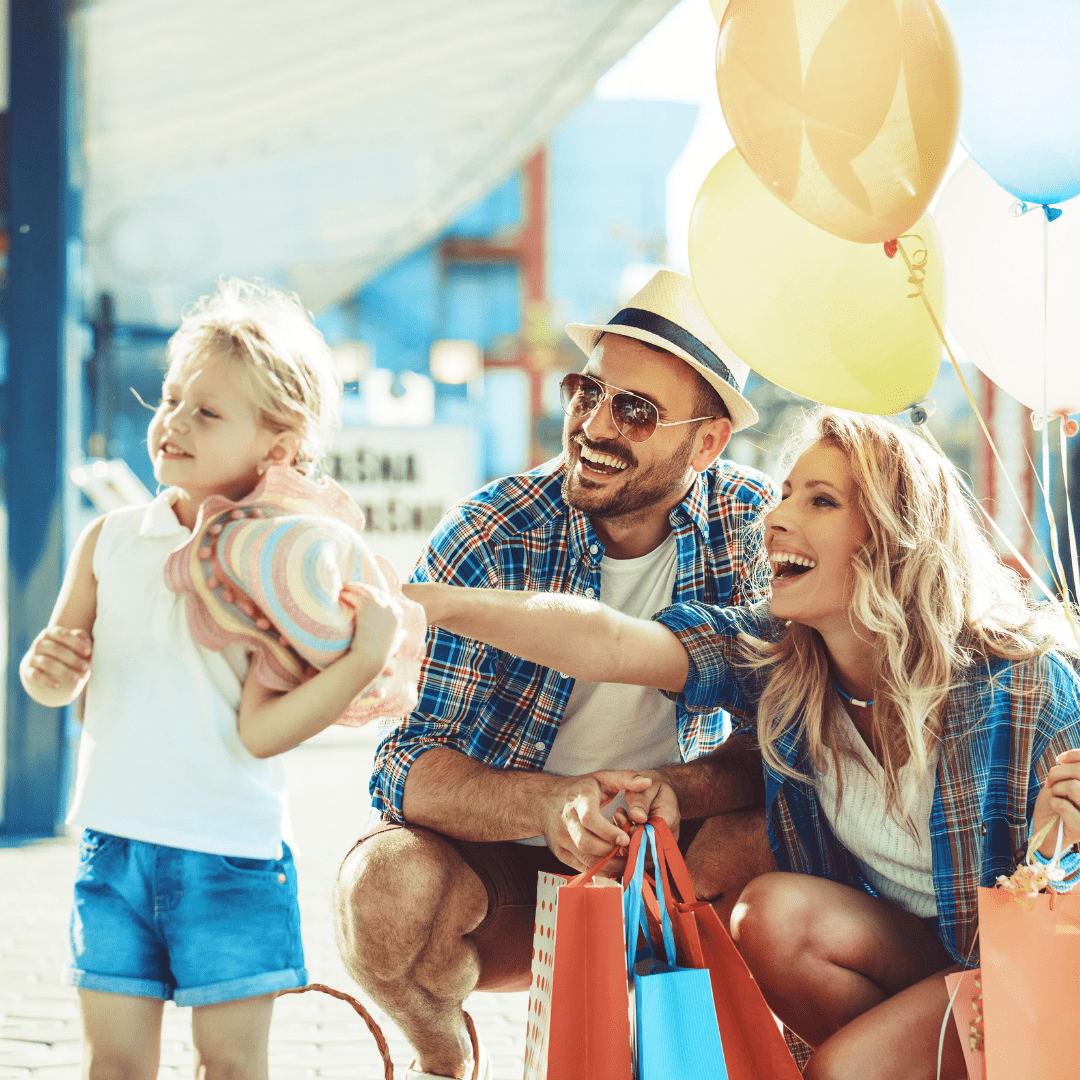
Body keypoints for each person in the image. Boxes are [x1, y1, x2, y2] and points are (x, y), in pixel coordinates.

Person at [405, 406, 1080, 1080]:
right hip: (924, 956)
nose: (777, 517)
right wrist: (428, 603)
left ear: (892, 540)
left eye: (820, 501)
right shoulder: (783, 661)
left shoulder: (1019, 687)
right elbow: (605, 640)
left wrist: (1056, 855)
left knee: (840, 1072)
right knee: (772, 917)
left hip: (1030, 976)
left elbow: (1058, 933)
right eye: (785, 494)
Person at [333, 270, 779, 1080]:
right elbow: (405, 765)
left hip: (676, 861)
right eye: (587, 392)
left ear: (706, 443)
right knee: (384, 889)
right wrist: (551, 804)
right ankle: (442, 1054)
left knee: (774, 844)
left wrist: (679, 791)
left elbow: (787, 745)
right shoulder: (492, 532)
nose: (593, 426)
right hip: (506, 868)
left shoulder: (759, 529)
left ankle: (704, 1052)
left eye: (635, 411)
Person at [19, 279, 406, 1080]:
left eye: (208, 412)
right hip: (112, 848)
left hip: (227, 856)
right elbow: (59, 680)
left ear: (279, 446)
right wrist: (44, 672)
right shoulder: (109, 539)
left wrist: (367, 658)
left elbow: (263, 730)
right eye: (170, 400)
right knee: (114, 1067)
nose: (174, 422)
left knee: (230, 1068)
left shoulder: (286, 567)